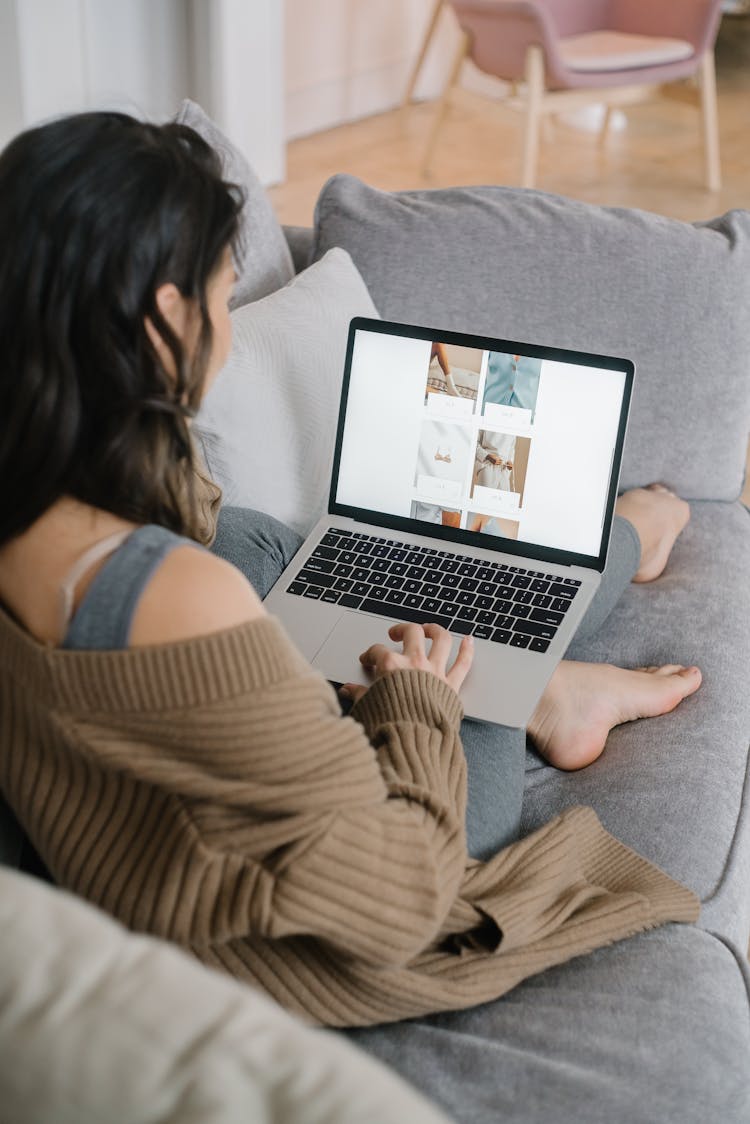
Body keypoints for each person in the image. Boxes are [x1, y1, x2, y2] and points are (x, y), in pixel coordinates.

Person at [0, 113, 701, 1030]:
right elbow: (401, 892)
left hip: (167, 801)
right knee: (464, 622)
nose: (228, 324)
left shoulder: (35, 493)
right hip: (306, 912)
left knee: (259, 538)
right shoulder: (185, 596)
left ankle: (565, 623)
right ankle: (572, 632)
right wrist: (413, 702)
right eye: (219, 293)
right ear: (164, 316)